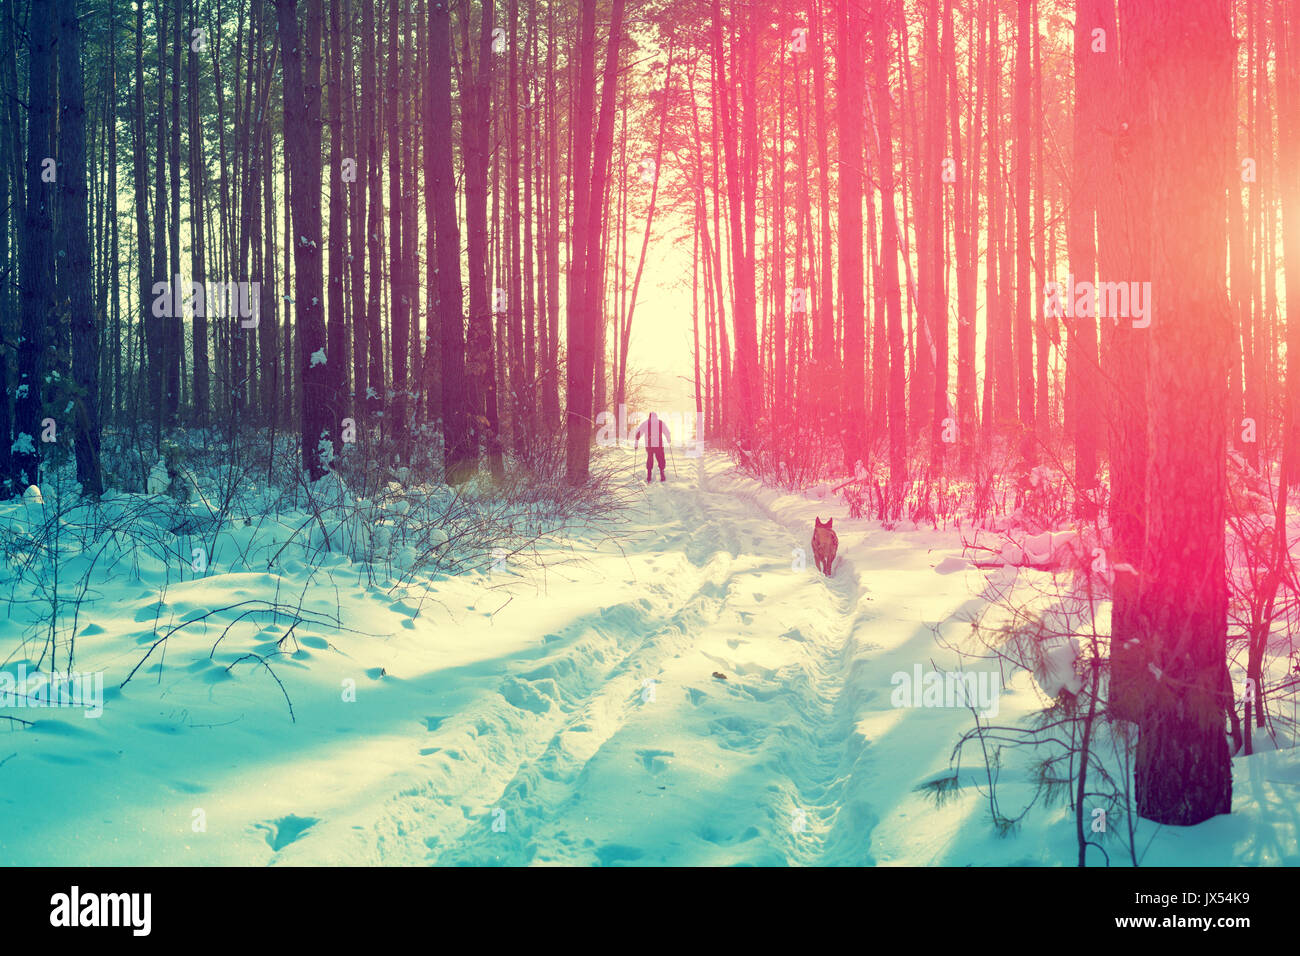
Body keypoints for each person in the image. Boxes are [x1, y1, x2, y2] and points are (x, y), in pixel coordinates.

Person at [633, 412, 671, 483]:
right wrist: (668, 439)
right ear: (656, 416)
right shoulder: (660, 423)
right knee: (660, 458)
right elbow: (667, 431)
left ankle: (649, 475)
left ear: (649, 417)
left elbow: (638, 433)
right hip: (659, 445)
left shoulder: (645, 423)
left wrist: (636, 443)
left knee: (650, 458)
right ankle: (662, 473)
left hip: (649, 445)